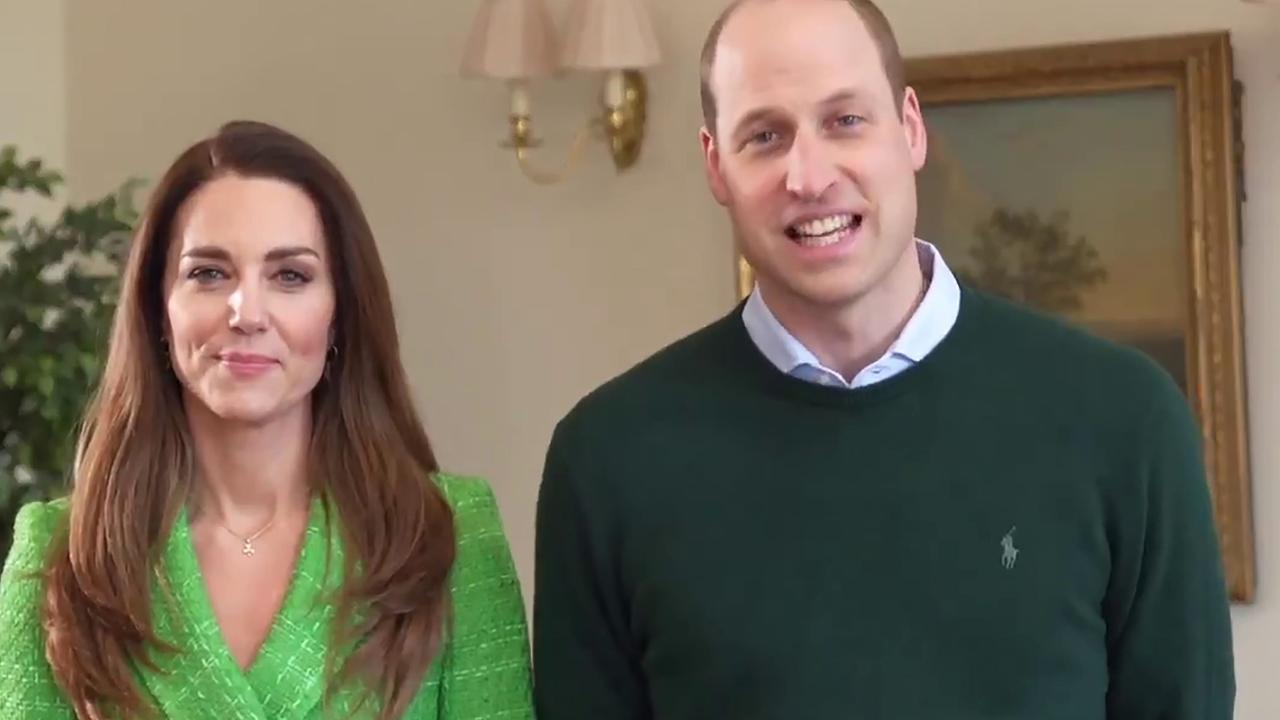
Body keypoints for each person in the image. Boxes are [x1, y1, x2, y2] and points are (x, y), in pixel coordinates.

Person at [532, 0, 1235, 718]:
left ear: (910, 128)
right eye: (766, 135)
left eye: (845, 120)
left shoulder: (1124, 420)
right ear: (717, 166)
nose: (808, 175)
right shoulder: (608, 460)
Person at [0, 121, 534, 719]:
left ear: (339, 315)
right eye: (209, 273)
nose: (247, 312)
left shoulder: (447, 534)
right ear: (159, 309)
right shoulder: (62, 555)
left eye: (290, 276)